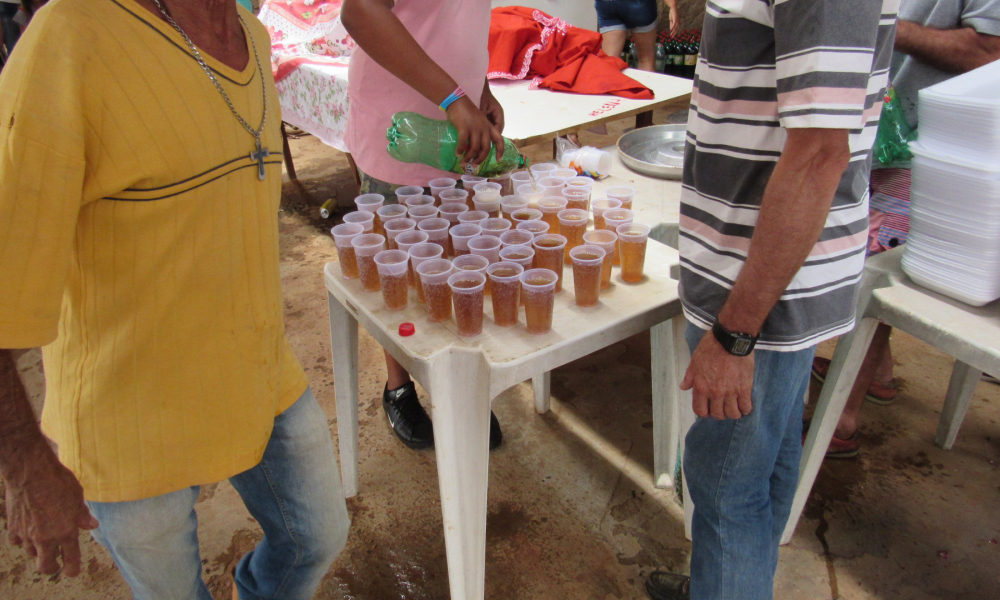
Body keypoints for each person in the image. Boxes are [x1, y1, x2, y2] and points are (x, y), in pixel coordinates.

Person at [0, 0, 350, 597]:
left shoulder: (252, 37)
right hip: (130, 421)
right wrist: (25, 466)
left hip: (258, 374)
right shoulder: (69, 39)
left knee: (318, 534)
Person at [643, 0, 897, 598]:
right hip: (767, 279)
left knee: (727, 489)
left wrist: (735, 335)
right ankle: (729, 580)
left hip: (761, 291)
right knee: (762, 468)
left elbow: (816, 158)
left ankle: (727, 579)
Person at [811, 0, 1000, 458]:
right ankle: (878, 374)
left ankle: (842, 420)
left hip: (930, 146)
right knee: (864, 257)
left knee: (877, 271)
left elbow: (989, 53)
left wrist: (881, 24)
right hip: (879, 127)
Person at [341, 0, 505, 451]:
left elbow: (456, 23)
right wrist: (454, 96)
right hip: (402, 126)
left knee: (454, 263)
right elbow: (359, 10)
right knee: (400, 270)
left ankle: (455, 384)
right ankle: (398, 387)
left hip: (456, 130)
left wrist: (481, 90)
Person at [595, 0, 678, 72]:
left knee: (610, 62)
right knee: (646, 60)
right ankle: (645, 89)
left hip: (608, 4)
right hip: (638, 5)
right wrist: (672, 6)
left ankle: (610, 89)